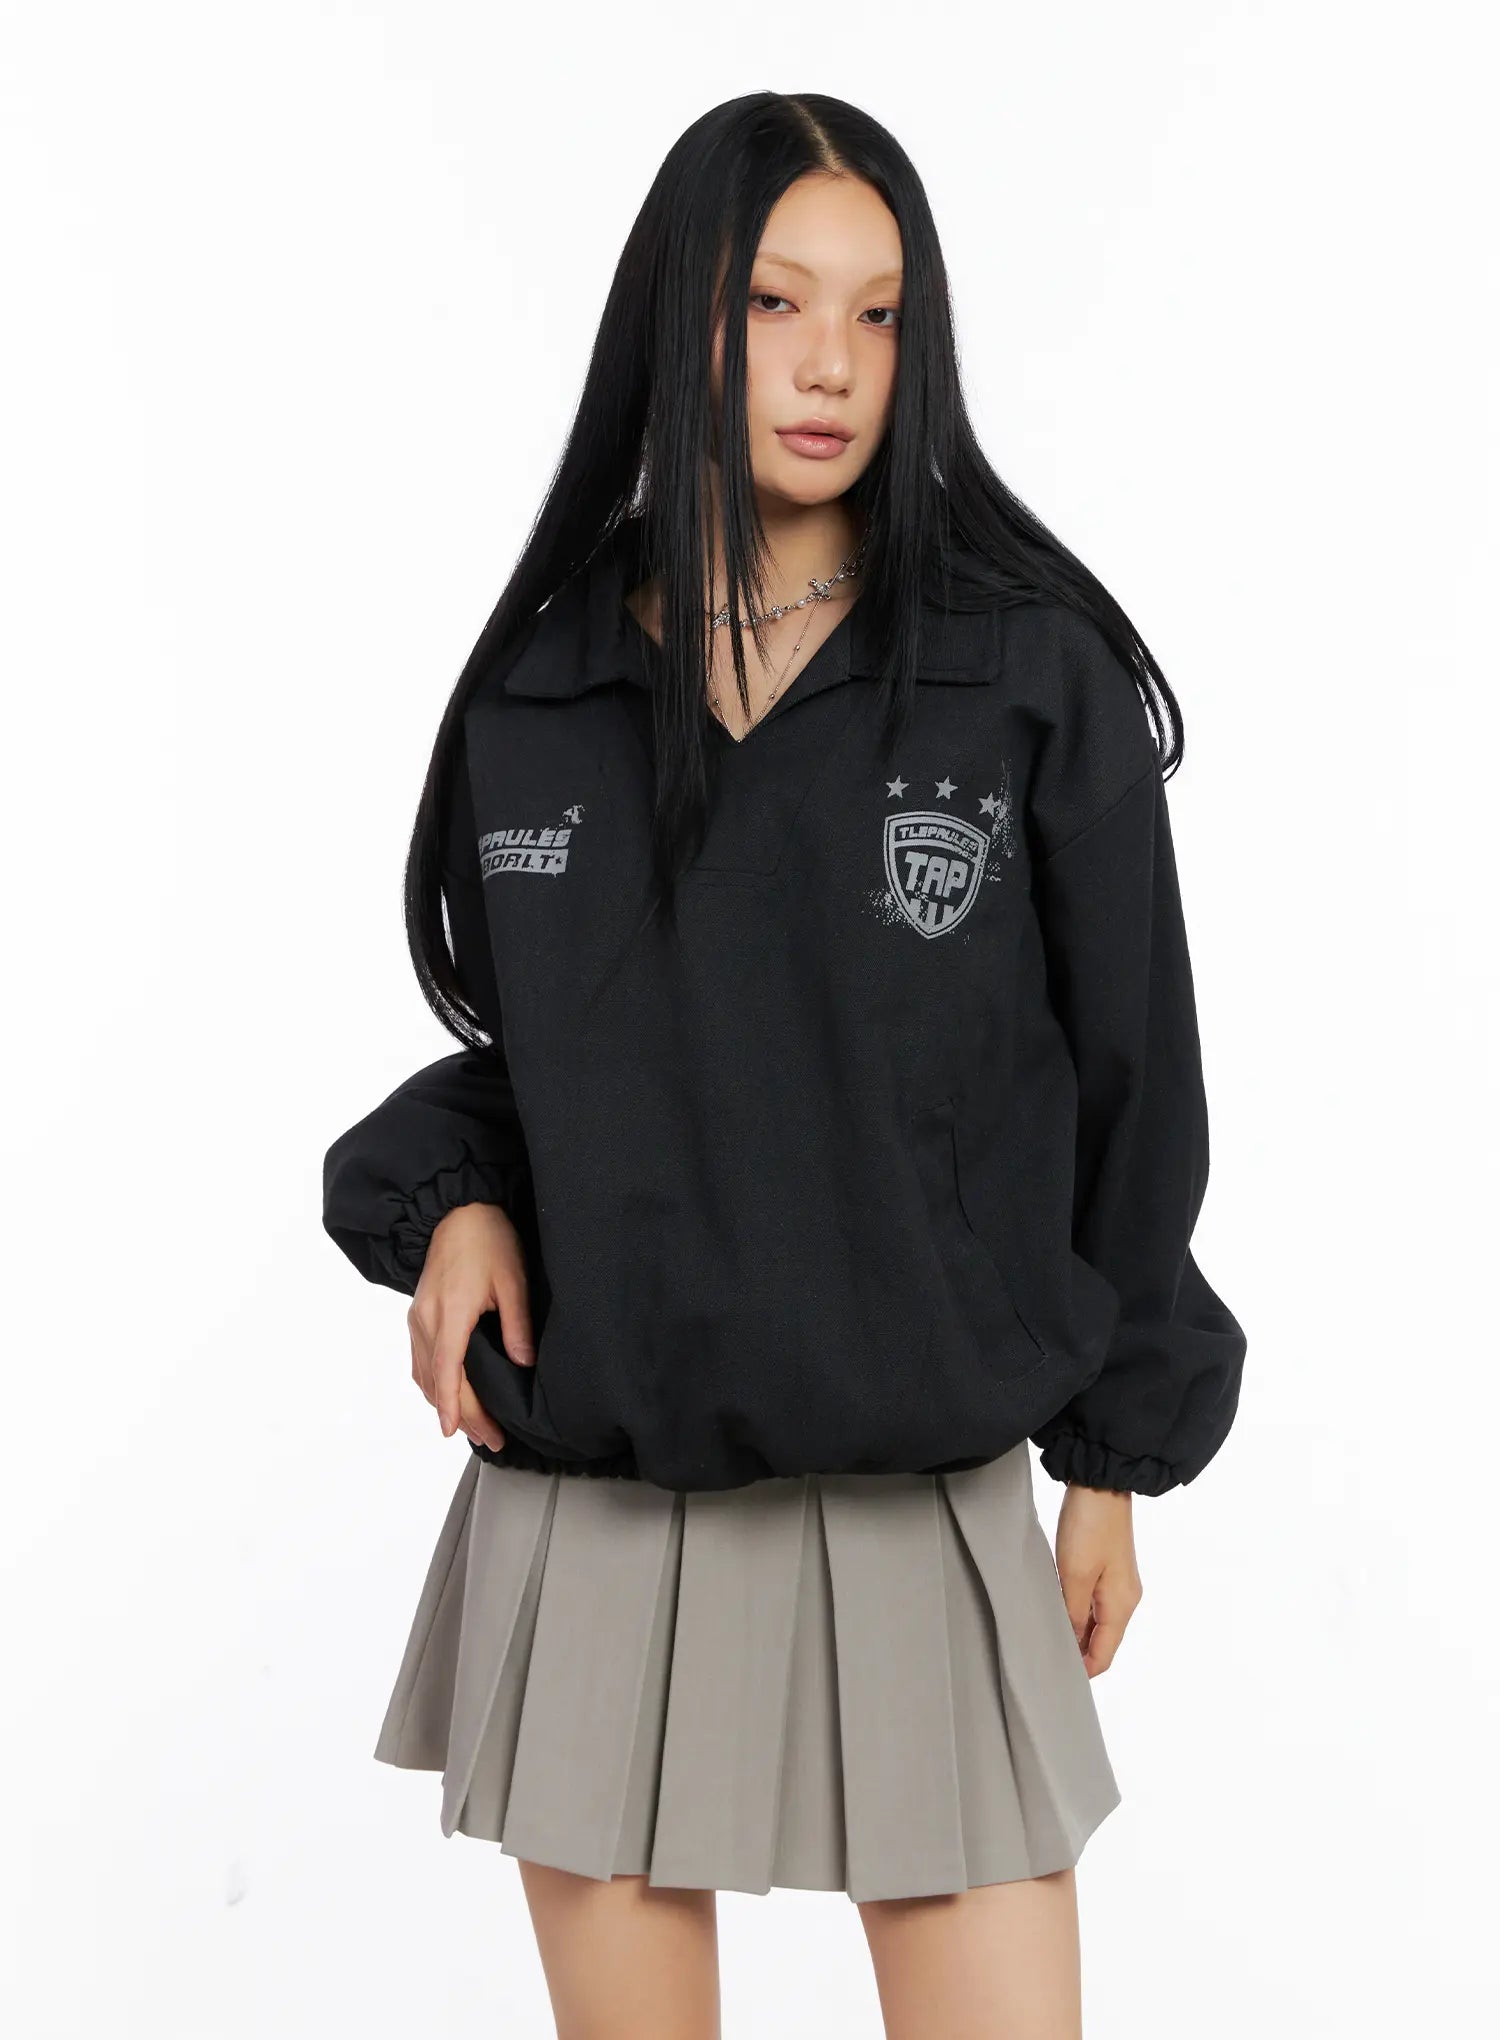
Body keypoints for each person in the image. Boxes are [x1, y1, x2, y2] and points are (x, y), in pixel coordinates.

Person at [322, 90, 1246, 2040]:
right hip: (595, 1503)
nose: (834, 362)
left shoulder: (1023, 675)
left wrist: (1113, 1468)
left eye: (880, 312)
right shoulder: (545, 687)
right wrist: (454, 1198)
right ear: (685, 316)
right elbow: (574, 1052)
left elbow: (1136, 1077)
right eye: (776, 302)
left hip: (921, 1493)